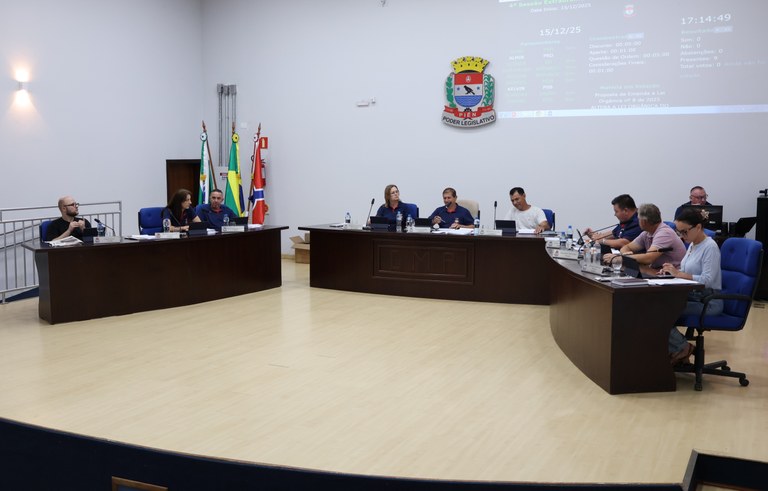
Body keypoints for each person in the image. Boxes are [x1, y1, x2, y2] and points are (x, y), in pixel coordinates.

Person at [661, 207, 723, 365]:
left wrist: (679, 274)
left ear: (698, 227)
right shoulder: (693, 244)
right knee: (652, 306)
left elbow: (707, 280)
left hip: (708, 301)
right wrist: (670, 271)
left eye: (684, 232)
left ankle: (682, 348)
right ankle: (677, 350)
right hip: (693, 296)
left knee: (660, 312)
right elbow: (686, 271)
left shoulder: (710, 247)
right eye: (679, 232)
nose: (681, 236)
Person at [603, 203, 686, 270]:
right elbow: (627, 247)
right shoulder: (647, 233)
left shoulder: (664, 233)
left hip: (672, 276)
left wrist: (621, 258)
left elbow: (648, 258)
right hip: (657, 271)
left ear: (644, 222)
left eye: (638, 219)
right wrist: (625, 255)